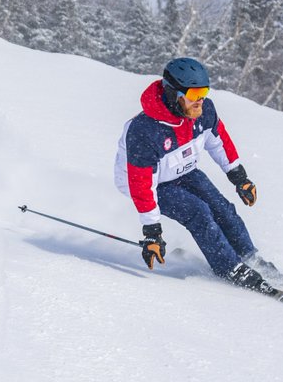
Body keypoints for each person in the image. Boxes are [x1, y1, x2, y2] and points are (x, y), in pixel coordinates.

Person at [114, 57, 274, 292]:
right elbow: (141, 183)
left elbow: (219, 141)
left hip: (184, 169)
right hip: (150, 183)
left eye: (204, 92)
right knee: (199, 212)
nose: (200, 100)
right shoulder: (144, 130)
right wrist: (152, 232)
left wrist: (239, 177)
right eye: (193, 94)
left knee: (221, 207)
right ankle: (230, 267)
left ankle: (249, 256)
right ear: (172, 93)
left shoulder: (203, 111)